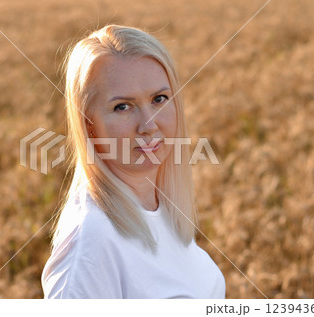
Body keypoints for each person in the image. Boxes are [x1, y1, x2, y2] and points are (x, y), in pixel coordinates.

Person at [41, 24, 226, 299]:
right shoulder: (92, 240)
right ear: (89, 125)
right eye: (122, 106)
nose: (148, 125)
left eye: (159, 99)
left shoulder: (163, 208)